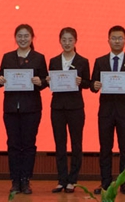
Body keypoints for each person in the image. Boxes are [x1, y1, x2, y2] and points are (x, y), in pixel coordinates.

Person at [0, 24, 48, 194]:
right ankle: (15, 180)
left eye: (26, 36)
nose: (23, 39)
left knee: (29, 145)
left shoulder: (39, 57)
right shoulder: (7, 57)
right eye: (20, 36)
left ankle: (26, 179)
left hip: (31, 108)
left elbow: (45, 81)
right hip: (11, 108)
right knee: (13, 144)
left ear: (32, 38)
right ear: (15, 37)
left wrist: (40, 82)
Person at [90, 25, 125, 195]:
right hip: (105, 112)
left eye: (120, 38)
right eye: (114, 38)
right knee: (105, 148)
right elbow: (92, 84)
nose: (117, 41)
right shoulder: (100, 61)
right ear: (108, 40)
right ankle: (105, 182)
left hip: (124, 111)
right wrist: (95, 85)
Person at [46, 27, 91, 194]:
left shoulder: (83, 61)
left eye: (70, 40)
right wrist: (49, 80)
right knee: (60, 144)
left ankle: (73, 180)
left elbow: (88, 83)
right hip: (57, 107)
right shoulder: (53, 61)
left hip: (75, 107)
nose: (67, 43)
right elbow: (51, 84)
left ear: (75, 41)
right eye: (64, 40)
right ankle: (61, 180)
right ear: (59, 41)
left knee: (76, 144)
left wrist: (81, 82)